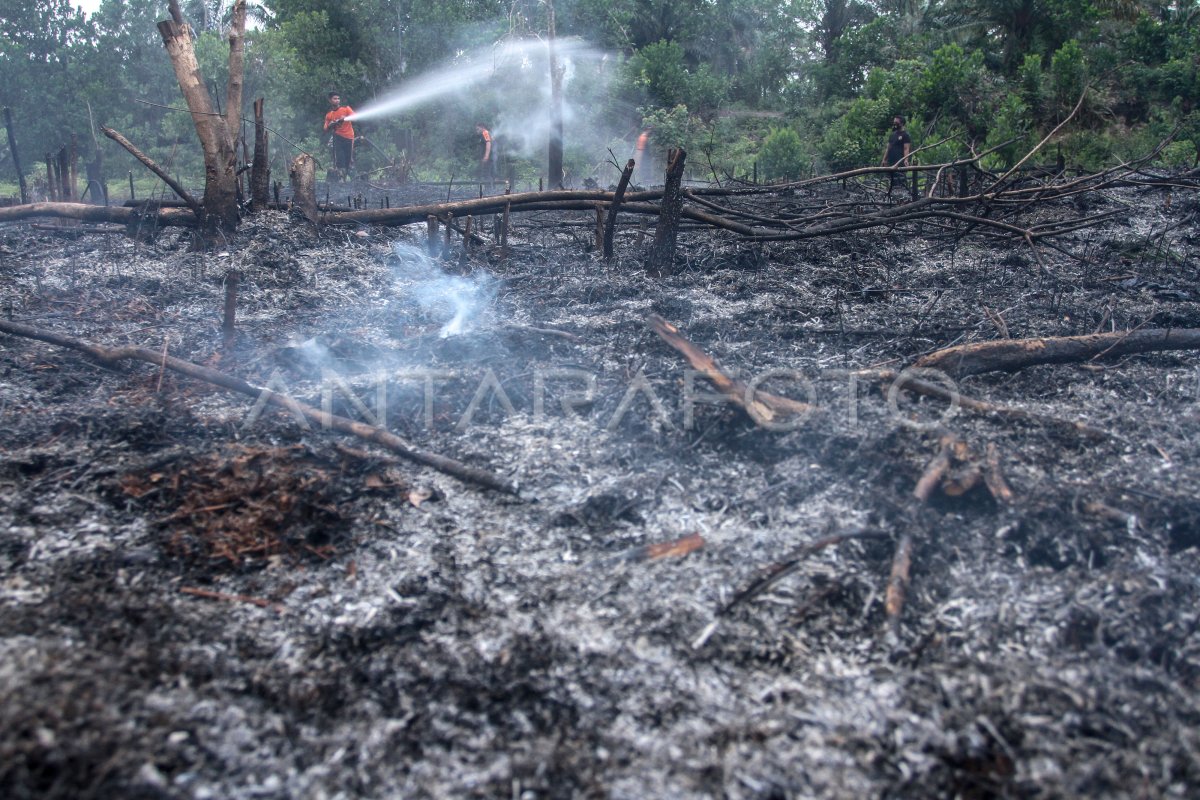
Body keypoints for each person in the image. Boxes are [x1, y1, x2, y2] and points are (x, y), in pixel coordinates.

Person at [324, 92, 355, 180]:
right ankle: (341, 179)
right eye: (335, 98)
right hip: (338, 137)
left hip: (349, 137)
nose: (337, 100)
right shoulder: (329, 115)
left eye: (338, 98)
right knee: (339, 159)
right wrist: (332, 124)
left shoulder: (346, 109)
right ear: (330, 100)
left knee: (349, 160)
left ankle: (355, 180)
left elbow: (355, 116)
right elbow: (325, 128)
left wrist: (344, 118)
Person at [881, 114, 912, 196]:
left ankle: (902, 197)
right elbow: (888, 148)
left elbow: (906, 149)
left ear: (901, 123)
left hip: (900, 161)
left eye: (896, 122)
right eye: (894, 122)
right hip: (891, 161)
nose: (894, 124)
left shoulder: (906, 135)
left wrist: (906, 159)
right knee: (891, 180)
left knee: (900, 180)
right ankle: (891, 196)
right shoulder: (892, 135)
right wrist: (884, 159)